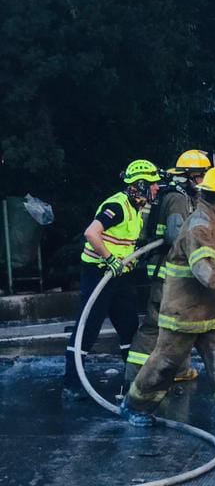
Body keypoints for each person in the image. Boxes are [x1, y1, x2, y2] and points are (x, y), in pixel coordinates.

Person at [121, 165, 215, 431]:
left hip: (209, 312)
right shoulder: (199, 225)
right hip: (184, 313)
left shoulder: (214, 221)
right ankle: (134, 407)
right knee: (164, 365)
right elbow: (205, 271)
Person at [63, 159, 162, 398]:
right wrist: (110, 259)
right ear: (140, 185)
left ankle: (134, 380)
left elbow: (124, 242)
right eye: (153, 184)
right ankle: (71, 382)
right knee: (88, 327)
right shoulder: (117, 206)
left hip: (119, 276)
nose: (157, 189)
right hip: (99, 273)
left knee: (128, 326)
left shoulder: (136, 208)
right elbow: (91, 233)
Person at [127, 149, 212, 382]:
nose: (203, 182)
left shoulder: (183, 196)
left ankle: (180, 370)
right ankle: (134, 375)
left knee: (178, 325)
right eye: (200, 176)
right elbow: (175, 235)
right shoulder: (176, 198)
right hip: (167, 273)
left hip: (175, 274)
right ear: (187, 176)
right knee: (154, 326)